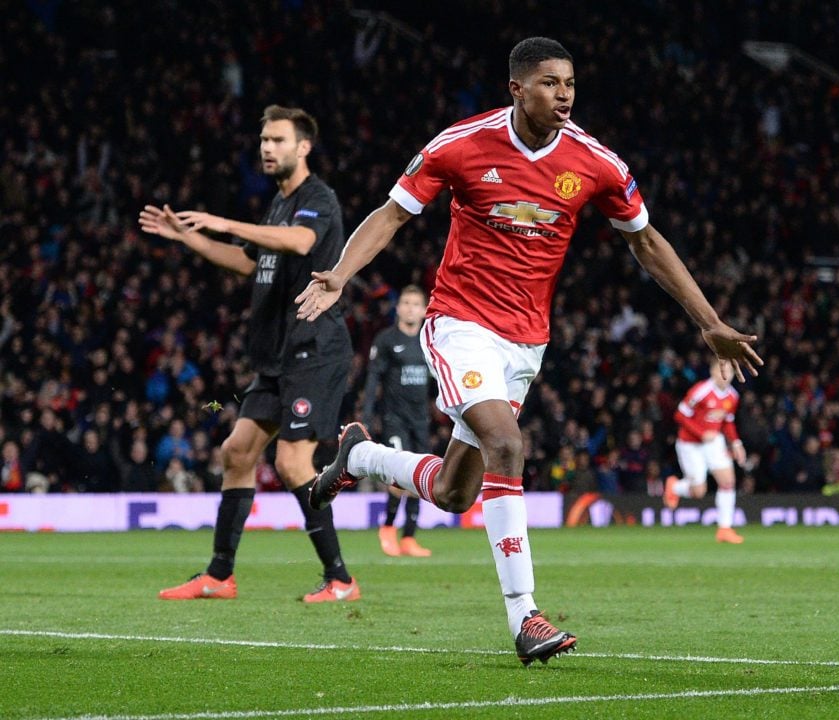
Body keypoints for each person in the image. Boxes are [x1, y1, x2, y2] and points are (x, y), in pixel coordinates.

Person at [295, 38, 762, 664]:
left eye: (569, 81)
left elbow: (646, 242)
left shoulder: (595, 162)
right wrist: (340, 272)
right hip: (460, 323)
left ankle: (364, 456)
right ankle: (526, 617)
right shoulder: (459, 144)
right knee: (508, 444)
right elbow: (392, 215)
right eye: (548, 82)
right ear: (516, 88)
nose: (563, 93)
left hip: (526, 341)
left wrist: (707, 321)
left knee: (458, 494)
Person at [139, 105, 359, 603]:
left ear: (303, 147)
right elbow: (247, 261)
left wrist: (222, 220)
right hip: (278, 356)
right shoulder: (277, 205)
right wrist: (189, 237)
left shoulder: (316, 199)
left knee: (292, 463)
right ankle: (219, 576)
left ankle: (341, 579)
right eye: (263, 139)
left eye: (277, 139)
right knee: (236, 452)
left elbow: (301, 243)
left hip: (315, 348)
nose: (266, 147)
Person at [363, 284, 433, 557]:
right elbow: (372, 380)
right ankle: (389, 528)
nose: (410, 308)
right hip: (394, 419)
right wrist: (367, 417)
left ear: (425, 310)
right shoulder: (386, 340)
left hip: (421, 420)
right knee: (398, 477)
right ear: (398, 307)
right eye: (405, 303)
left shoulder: (429, 342)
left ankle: (409, 538)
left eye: (416, 304)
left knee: (420, 479)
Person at [663, 361, 748, 543]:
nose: (725, 375)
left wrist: (736, 443)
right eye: (721, 370)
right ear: (712, 371)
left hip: (714, 442)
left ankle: (724, 529)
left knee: (728, 481)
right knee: (698, 491)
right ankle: (675, 486)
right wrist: (701, 433)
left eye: (730, 371)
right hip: (690, 444)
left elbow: (728, 421)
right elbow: (680, 414)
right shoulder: (701, 391)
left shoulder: (732, 396)